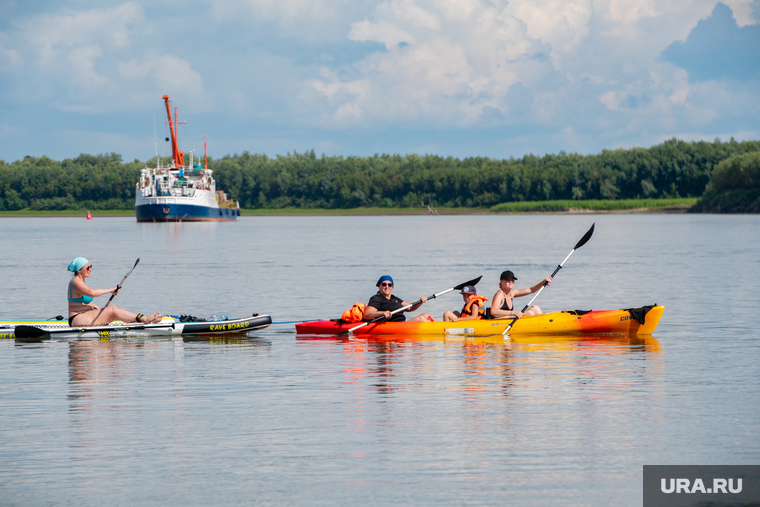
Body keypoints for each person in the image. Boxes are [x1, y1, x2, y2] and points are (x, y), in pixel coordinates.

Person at [67, 257, 162, 327]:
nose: (90, 269)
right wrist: (111, 290)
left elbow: (82, 301)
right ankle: (145, 319)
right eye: (88, 268)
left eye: (90, 267)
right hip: (77, 319)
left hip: (85, 315)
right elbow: (92, 293)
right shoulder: (75, 282)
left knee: (112, 312)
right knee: (112, 309)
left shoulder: (81, 281)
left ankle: (142, 322)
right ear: (79, 270)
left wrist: (95, 306)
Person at [363, 275, 434, 323]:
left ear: (392, 287)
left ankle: (443, 328)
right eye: (384, 284)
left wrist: (420, 301)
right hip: (391, 325)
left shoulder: (394, 298)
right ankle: (438, 332)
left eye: (389, 285)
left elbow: (410, 307)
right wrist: (382, 313)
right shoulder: (376, 298)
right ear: (379, 286)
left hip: (402, 323)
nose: (387, 287)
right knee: (421, 319)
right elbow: (367, 314)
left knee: (426, 315)